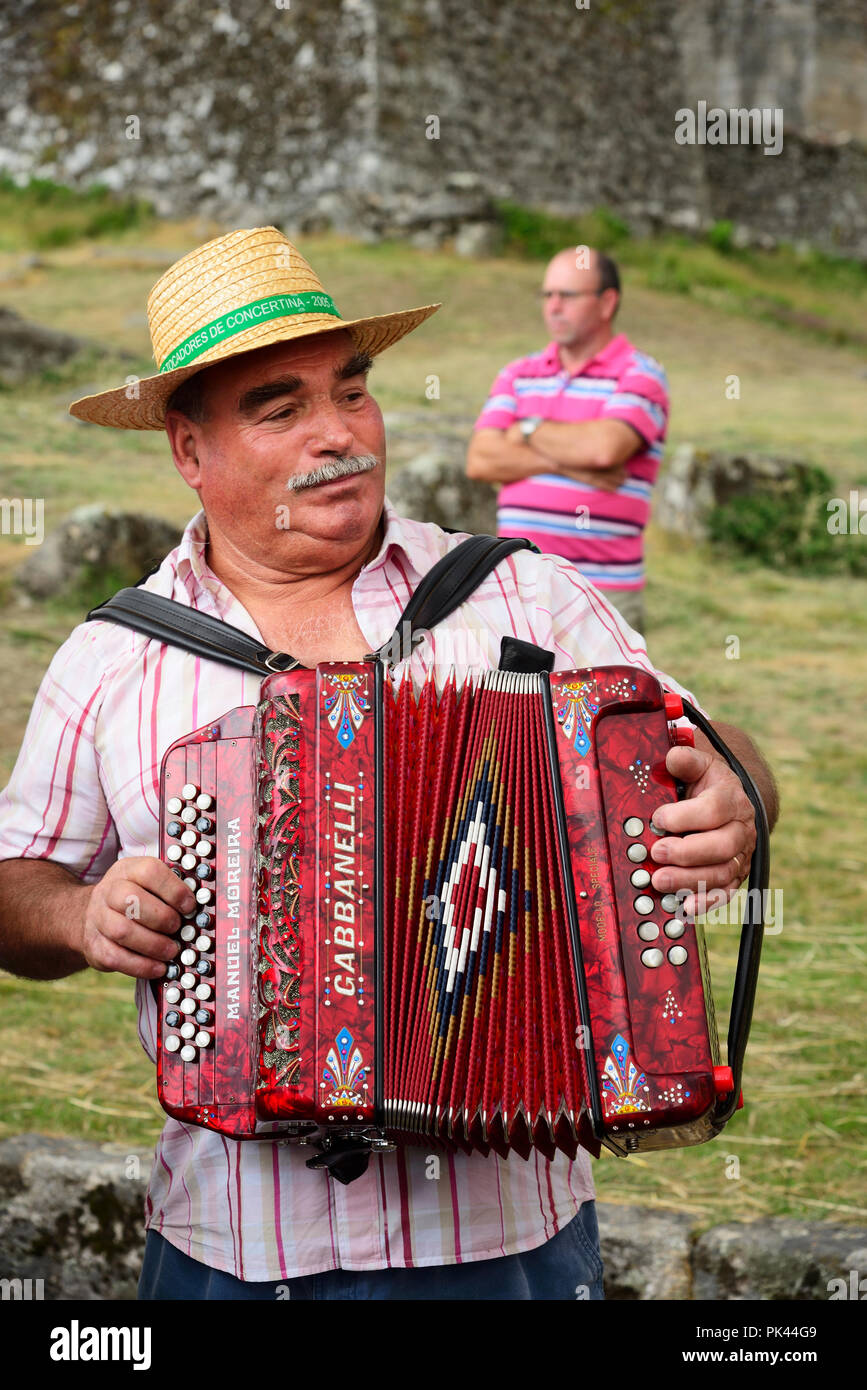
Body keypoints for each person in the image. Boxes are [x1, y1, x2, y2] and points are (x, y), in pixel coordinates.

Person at [0, 227, 777, 1301]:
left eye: (352, 392)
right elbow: (14, 891)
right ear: (190, 448)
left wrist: (734, 799)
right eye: (282, 408)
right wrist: (80, 919)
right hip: (233, 1248)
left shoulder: (517, 592)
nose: (341, 435)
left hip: (507, 1248)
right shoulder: (113, 657)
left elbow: (716, 753)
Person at [466, 247, 669, 634]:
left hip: (602, 596)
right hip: (517, 590)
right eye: (547, 295)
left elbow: (603, 448)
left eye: (568, 296)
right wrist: (564, 462)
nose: (553, 307)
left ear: (607, 302)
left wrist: (526, 430)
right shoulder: (517, 372)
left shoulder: (641, 375)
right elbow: (481, 460)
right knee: (515, 697)